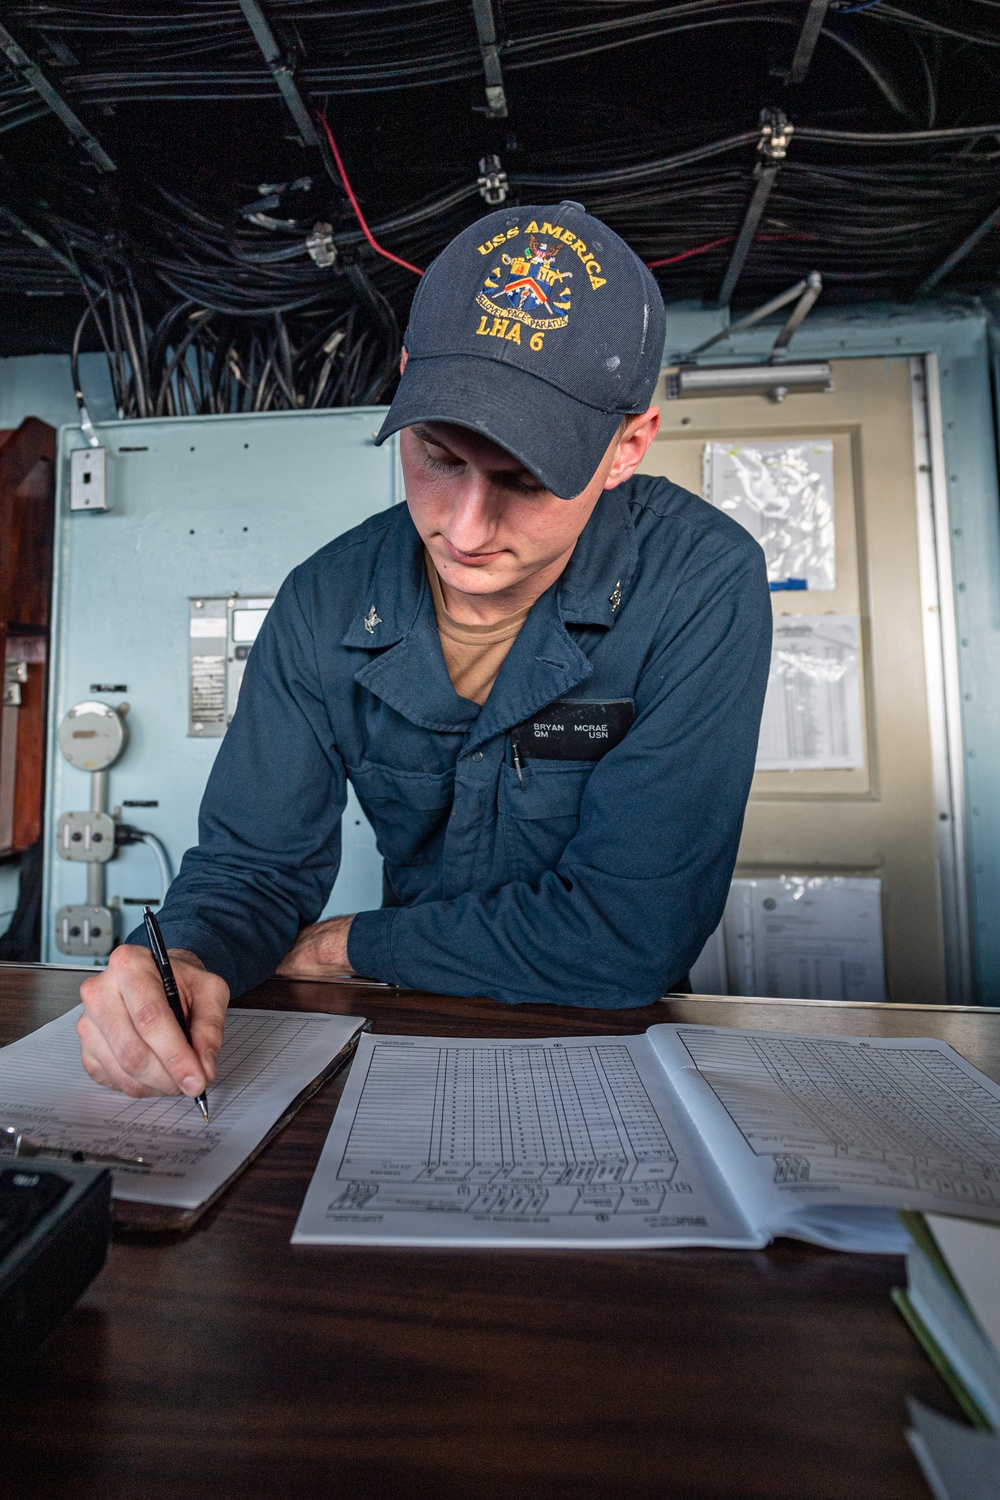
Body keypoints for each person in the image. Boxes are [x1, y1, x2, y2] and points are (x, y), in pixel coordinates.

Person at [76, 201, 771, 1102]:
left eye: (524, 481)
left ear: (629, 443)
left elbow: (630, 934)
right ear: (404, 384)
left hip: (613, 1042)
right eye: (438, 457)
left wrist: (345, 944)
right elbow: (251, 868)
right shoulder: (323, 600)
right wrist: (185, 961)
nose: (466, 528)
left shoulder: (700, 584)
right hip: (407, 1028)